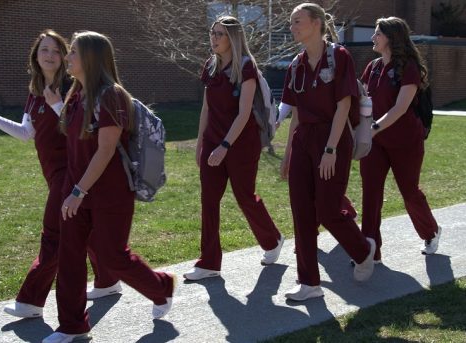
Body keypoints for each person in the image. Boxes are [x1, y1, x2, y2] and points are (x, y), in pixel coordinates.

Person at [0, 29, 120, 319]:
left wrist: (57, 104)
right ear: (35, 56)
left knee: (54, 235)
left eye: (56, 50)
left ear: (65, 56)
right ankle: (109, 280)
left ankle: (31, 301)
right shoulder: (35, 91)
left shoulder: (72, 87)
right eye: (44, 50)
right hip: (53, 174)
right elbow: (26, 133)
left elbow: (82, 129)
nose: (50, 55)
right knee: (83, 230)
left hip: (71, 172)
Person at [42, 31, 176, 343]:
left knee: (112, 255)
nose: (66, 57)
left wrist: (78, 192)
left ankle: (161, 287)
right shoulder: (76, 94)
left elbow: (105, 150)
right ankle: (72, 326)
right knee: (70, 256)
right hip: (76, 189)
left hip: (109, 193)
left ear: (89, 57)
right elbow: (76, 138)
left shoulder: (112, 96)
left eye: (72, 52)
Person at [280, 3, 375, 301]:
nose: (293, 27)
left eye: (298, 21)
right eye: (291, 23)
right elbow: (296, 113)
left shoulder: (339, 56)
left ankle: (363, 251)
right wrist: (287, 154)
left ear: (317, 23)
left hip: (332, 137)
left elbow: (343, 105)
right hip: (302, 140)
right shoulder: (295, 64)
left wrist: (331, 149)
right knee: (301, 211)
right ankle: (309, 283)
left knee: (328, 210)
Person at [183, 16, 284, 281]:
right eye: (212, 33)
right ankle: (209, 262)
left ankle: (272, 239)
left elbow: (243, 114)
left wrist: (225, 146)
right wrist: (201, 143)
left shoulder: (246, 67)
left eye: (220, 34)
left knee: (244, 196)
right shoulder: (211, 65)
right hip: (213, 142)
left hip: (241, 144)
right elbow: (206, 108)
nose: (214, 38)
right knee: (209, 201)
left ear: (233, 38)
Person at [359, 17, 441, 263]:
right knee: (371, 193)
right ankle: (370, 250)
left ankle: (431, 231)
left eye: (377, 34)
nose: (373, 38)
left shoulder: (409, 68)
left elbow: (400, 108)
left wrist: (373, 128)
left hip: (405, 141)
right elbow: (361, 100)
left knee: (409, 192)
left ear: (391, 38)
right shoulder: (372, 67)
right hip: (375, 142)